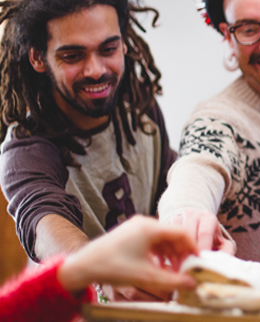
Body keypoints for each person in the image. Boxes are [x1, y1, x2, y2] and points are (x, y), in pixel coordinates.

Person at [0, 0, 176, 300]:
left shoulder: (139, 104)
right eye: (73, 56)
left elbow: (166, 183)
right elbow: (45, 223)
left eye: (108, 49)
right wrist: (100, 272)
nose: (96, 70)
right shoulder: (26, 149)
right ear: (38, 58)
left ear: (123, 44)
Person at [157, 0, 260, 263]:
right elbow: (197, 167)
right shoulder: (217, 120)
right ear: (227, 36)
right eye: (248, 29)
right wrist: (184, 212)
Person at [0, 216, 198, 322]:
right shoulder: (27, 152)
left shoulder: (149, 139)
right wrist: (95, 272)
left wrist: (81, 270)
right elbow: (40, 221)